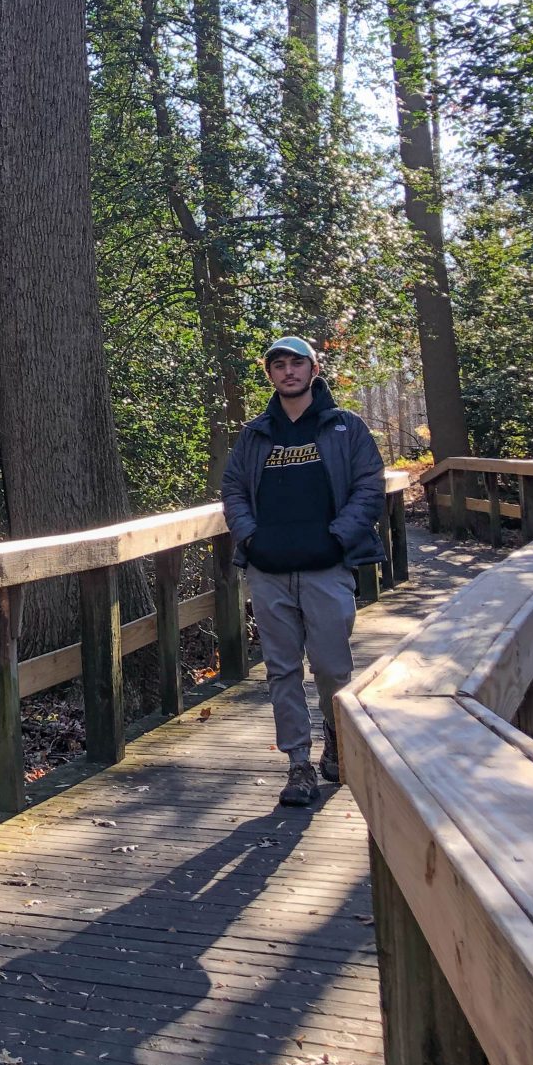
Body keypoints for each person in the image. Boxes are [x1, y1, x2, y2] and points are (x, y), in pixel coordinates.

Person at [220, 336, 386, 808]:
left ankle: (336, 737)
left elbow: (368, 486)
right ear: (269, 373)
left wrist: (338, 536)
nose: (288, 371)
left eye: (297, 363)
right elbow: (233, 488)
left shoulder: (344, 427)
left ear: (315, 369)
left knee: (333, 667)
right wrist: (250, 536)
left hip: (326, 567)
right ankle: (298, 764)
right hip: (269, 569)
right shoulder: (255, 433)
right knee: (282, 670)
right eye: (278, 365)